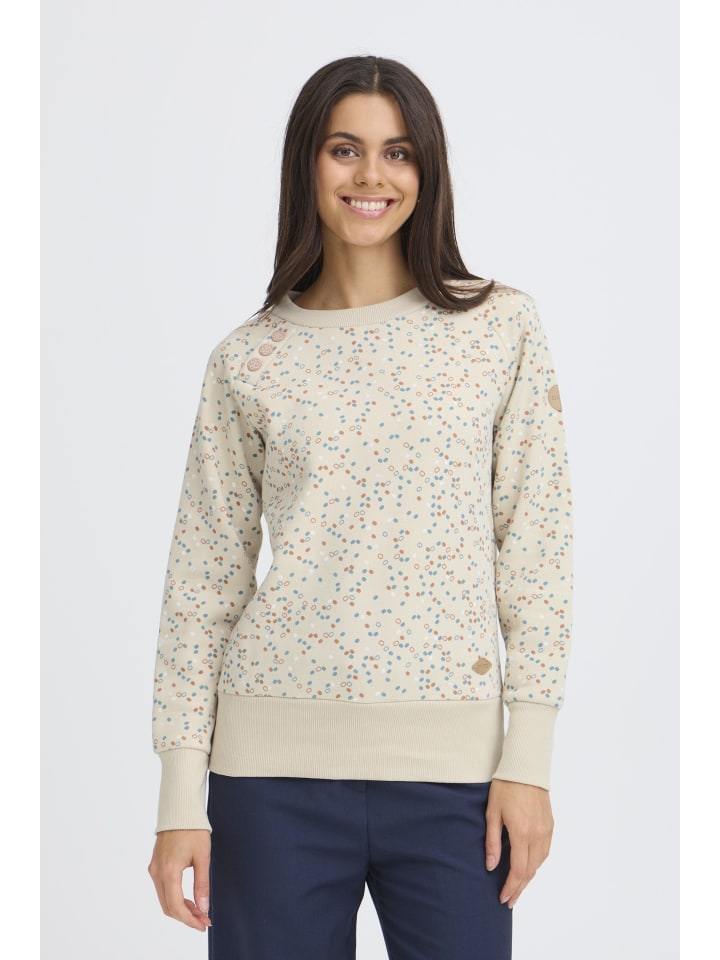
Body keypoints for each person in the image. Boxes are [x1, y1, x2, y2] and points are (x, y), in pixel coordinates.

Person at [148, 55, 573, 960]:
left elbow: (536, 552)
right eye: (345, 149)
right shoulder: (248, 359)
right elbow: (202, 586)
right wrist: (181, 796)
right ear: (308, 162)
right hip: (269, 782)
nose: (371, 175)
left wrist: (528, 760)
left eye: (398, 152)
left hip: (458, 783)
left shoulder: (499, 329)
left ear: (427, 171)